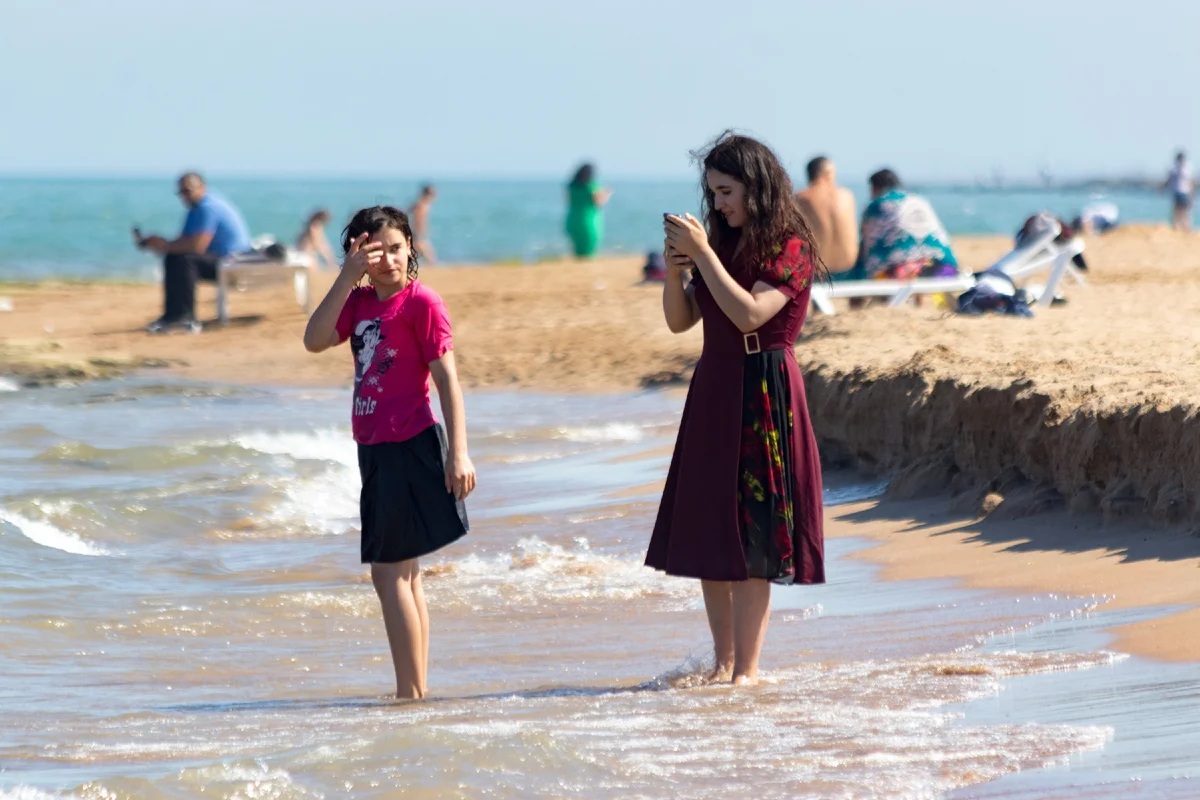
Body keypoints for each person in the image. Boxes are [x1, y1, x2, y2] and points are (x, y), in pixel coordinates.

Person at [649, 132, 827, 686]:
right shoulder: (719, 243)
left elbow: (751, 314)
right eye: (713, 193)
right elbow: (681, 322)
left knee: (757, 534)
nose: (719, 203)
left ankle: (746, 672)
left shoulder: (791, 244)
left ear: (757, 185)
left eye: (727, 191)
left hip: (765, 385)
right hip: (715, 382)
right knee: (710, 528)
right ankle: (723, 661)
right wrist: (680, 269)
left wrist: (704, 254)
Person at [302, 205, 475, 700]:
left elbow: (448, 381)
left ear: (410, 250)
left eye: (396, 248)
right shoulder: (356, 304)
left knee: (388, 574)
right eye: (374, 251)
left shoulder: (422, 303)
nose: (388, 260)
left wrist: (458, 453)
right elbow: (314, 340)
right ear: (356, 253)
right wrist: (345, 278)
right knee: (406, 575)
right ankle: (415, 690)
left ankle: (409, 694)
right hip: (374, 447)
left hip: (410, 443)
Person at [133, 173, 251, 332]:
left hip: (233, 262)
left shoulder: (207, 208)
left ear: (202, 188)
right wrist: (161, 244)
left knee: (185, 260)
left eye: (188, 191)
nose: (184, 197)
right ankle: (173, 315)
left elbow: (197, 246)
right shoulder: (195, 210)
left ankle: (186, 316)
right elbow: (184, 242)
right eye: (181, 193)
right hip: (222, 259)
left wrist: (166, 245)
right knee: (174, 257)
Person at [842, 169, 959, 281]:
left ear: (874, 187)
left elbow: (866, 250)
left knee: (881, 271)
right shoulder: (918, 200)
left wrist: (858, 276)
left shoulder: (876, 206)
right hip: (945, 270)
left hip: (900, 274)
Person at [795, 156, 858, 273]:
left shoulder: (799, 198)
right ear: (828, 173)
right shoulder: (847, 195)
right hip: (849, 270)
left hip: (817, 272)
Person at [565, 163, 611, 258]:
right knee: (589, 253)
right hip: (588, 221)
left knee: (578, 252)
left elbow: (569, 201)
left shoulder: (572, 186)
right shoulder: (591, 186)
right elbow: (599, 202)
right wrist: (607, 194)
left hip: (573, 219)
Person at [409, 185, 438, 264]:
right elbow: (419, 219)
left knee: (417, 250)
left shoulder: (419, 203)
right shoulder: (422, 204)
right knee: (428, 253)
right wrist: (421, 231)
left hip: (416, 232)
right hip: (418, 232)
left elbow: (408, 211)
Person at [1166, 151, 1193, 232]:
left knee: (1182, 213)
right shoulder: (1176, 169)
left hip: (1183, 193)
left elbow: (1190, 183)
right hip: (1180, 193)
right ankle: (1179, 229)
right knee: (1178, 212)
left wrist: (1191, 195)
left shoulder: (1186, 169)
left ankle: (1185, 230)